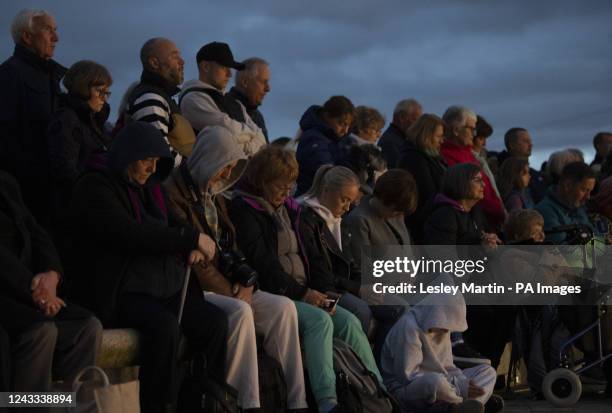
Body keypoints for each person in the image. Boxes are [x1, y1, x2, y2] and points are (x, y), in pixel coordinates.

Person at [67, 122, 228, 413]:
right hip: (119, 289)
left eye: (156, 162)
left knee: (214, 323)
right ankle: (157, 406)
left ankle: (202, 402)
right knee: (164, 328)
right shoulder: (95, 185)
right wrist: (188, 238)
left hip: (159, 285)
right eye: (145, 160)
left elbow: (170, 224)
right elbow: (128, 233)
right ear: (127, 155)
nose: (151, 169)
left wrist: (189, 243)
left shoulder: (150, 189)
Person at [229, 146, 383, 413]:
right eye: (280, 186)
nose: (287, 192)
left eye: (290, 185)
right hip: (277, 293)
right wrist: (304, 293)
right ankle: (327, 402)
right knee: (320, 322)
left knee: (349, 321)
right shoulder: (246, 209)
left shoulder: (291, 210)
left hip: (304, 290)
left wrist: (322, 292)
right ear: (262, 181)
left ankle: (378, 392)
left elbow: (312, 257)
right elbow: (263, 265)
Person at [164, 126, 307, 410]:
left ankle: (295, 402)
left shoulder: (214, 196)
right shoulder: (174, 193)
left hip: (227, 285)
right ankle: (243, 403)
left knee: (283, 308)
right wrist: (230, 290)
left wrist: (247, 280)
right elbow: (196, 260)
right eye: (225, 166)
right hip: (194, 288)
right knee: (240, 311)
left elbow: (230, 246)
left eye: (232, 167)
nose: (228, 174)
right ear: (208, 159)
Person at [0, 170, 102, 399]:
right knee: (41, 332)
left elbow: (35, 231)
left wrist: (52, 273)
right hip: (11, 293)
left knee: (87, 327)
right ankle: (28, 406)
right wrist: (36, 290)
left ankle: (73, 404)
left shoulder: (6, 180)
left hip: (32, 291)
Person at [0, 9, 66, 228]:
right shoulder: (9, 74)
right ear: (27, 36)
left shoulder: (52, 78)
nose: (56, 38)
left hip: (52, 193)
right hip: (28, 196)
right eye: (49, 30)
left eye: (55, 31)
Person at [381, 294, 501, 413]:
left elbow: (448, 367)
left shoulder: (442, 328)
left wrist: (463, 383)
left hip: (444, 384)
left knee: (488, 372)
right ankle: (464, 405)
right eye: (445, 327)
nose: (446, 332)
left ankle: (468, 405)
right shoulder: (408, 326)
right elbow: (408, 377)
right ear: (435, 314)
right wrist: (459, 387)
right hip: (406, 390)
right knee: (434, 383)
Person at [46, 60, 113, 232]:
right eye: (100, 92)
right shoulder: (67, 120)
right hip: (77, 213)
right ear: (83, 88)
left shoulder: (95, 122)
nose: (104, 99)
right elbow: (65, 170)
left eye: (107, 93)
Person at [180, 42, 266, 156]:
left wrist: (243, 147)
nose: (229, 74)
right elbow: (228, 133)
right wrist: (252, 143)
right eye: (224, 67)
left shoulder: (235, 102)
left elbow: (262, 139)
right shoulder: (192, 100)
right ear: (205, 67)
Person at [440, 106, 505, 230]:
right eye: (471, 129)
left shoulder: (468, 153)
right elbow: (470, 194)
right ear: (456, 130)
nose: (474, 134)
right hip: (478, 225)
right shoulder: (447, 156)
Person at [123, 37, 186, 165]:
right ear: (154, 63)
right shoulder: (150, 98)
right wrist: (193, 168)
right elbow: (161, 154)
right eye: (174, 57)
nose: (182, 61)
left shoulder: (161, 97)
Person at [397, 113, 448, 244]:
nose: (442, 140)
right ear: (426, 134)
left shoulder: (433, 157)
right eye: (438, 136)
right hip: (423, 225)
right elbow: (427, 193)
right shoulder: (414, 158)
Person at [295, 95, 355, 195]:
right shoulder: (313, 139)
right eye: (341, 123)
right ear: (326, 116)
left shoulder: (339, 139)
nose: (345, 130)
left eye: (348, 125)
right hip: (312, 197)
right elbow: (326, 173)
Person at [535, 161, 596, 245]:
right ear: (567, 185)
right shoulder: (544, 212)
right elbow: (564, 251)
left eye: (590, 191)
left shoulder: (577, 206)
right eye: (584, 190)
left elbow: (595, 235)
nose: (588, 196)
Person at [228, 57, 271, 142]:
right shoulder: (224, 109)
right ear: (245, 82)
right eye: (263, 82)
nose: (268, 88)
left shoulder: (257, 116)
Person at [498, 128, 546, 203]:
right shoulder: (501, 171)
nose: (530, 144)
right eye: (525, 141)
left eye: (530, 141)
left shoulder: (535, 175)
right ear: (511, 145)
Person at [378, 98, 422, 168]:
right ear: (402, 117)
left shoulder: (402, 140)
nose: (418, 125)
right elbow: (398, 173)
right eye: (415, 120)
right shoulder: (390, 143)